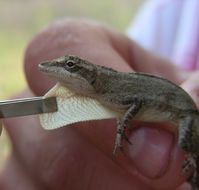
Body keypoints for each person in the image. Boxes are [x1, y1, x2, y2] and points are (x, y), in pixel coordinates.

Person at [1, 3, 199, 190]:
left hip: (186, 114)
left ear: (90, 75)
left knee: (185, 147)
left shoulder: (111, 93)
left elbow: (136, 102)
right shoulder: (167, 11)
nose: (61, 69)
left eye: (70, 66)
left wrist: (123, 125)